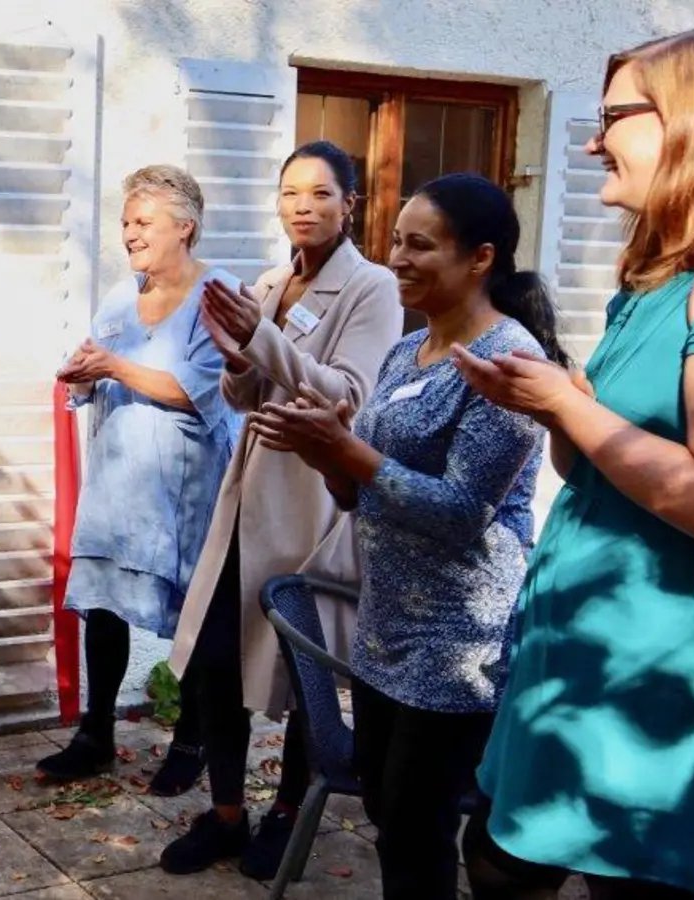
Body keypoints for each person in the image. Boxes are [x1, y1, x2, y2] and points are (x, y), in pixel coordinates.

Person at [449, 27, 694, 898]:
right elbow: (594, 471)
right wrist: (553, 402)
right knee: (493, 859)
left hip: (652, 682)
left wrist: (570, 404)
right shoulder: (649, 283)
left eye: (612, 118)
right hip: (574, 659)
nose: (591, 139)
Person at [248, 172, 562, 900]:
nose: (397, 258)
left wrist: (348, 451)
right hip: (387, 630)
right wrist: (324, 455)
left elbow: (458, 513)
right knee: (393, 818)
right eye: (396, 240)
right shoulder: (406, 352)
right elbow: (363, 496)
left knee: (418, 834)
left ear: (479, 259)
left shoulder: (508, 366)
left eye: (420, 245)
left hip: (458, 645)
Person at [158, 141, 403, 879]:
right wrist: (238, 358)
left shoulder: (374, 288)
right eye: (291, 192)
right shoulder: (269, 284)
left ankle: (290, 812)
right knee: (214, 664)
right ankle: (227, 814)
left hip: (308, 504)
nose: (303, 206)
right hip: (244, 498)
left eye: (322, 193)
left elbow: (345, 394)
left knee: (300, 675)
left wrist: (257, 339)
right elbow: (245, 396)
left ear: (349, 205)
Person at [37, 165, 241, 794]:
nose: (128, 233)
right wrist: (85, 376)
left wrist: (116, 367)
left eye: (142, 221)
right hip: (117, 483)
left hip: (185, 489)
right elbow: (100, 369)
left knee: (194, 618)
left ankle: (192, 741)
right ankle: (95, 734)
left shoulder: (221, 296)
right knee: (102, 608)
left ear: (185, 227)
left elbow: (198, 392)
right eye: (125, 222)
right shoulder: (121, 299)